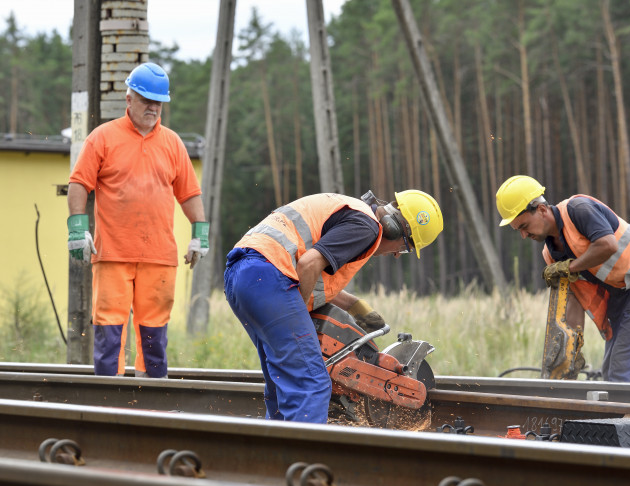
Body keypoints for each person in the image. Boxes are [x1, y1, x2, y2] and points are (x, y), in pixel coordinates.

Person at [224, 190, 443, 423]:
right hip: (268, 276)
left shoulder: (353, 211)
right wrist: (300, 320)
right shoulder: (367, 228)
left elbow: (307, 267)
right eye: (406, 245)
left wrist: (353, 305)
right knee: (311, 383)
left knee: (284, 382)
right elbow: (308, 264)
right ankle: (304, 456)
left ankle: (275, 453)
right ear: (393, 227)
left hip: (242, 276)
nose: (398, 254)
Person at [67, 62, 209, 378]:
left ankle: (150, 404)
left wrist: (201, 234)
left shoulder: (173, 143)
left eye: (158, 102)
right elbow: (79, 183)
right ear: (129, 99)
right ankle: (108, 405)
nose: (153, 108)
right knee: (109, 334)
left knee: (154, 337)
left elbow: (189, 194)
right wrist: (77, 229)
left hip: (159, 257)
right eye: (147, 100)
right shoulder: (102, 138)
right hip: (112, 255)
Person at [495, 175, 630, 382]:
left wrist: (569, 267)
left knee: (622, 374)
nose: (524, 236)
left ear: (542, 210)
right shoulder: (551, 255)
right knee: (611, 374)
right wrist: (570, 350)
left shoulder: (578, 209)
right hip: (622, 295)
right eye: (518, 230)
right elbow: (574, 298)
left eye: (524, 226)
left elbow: (607, 245)